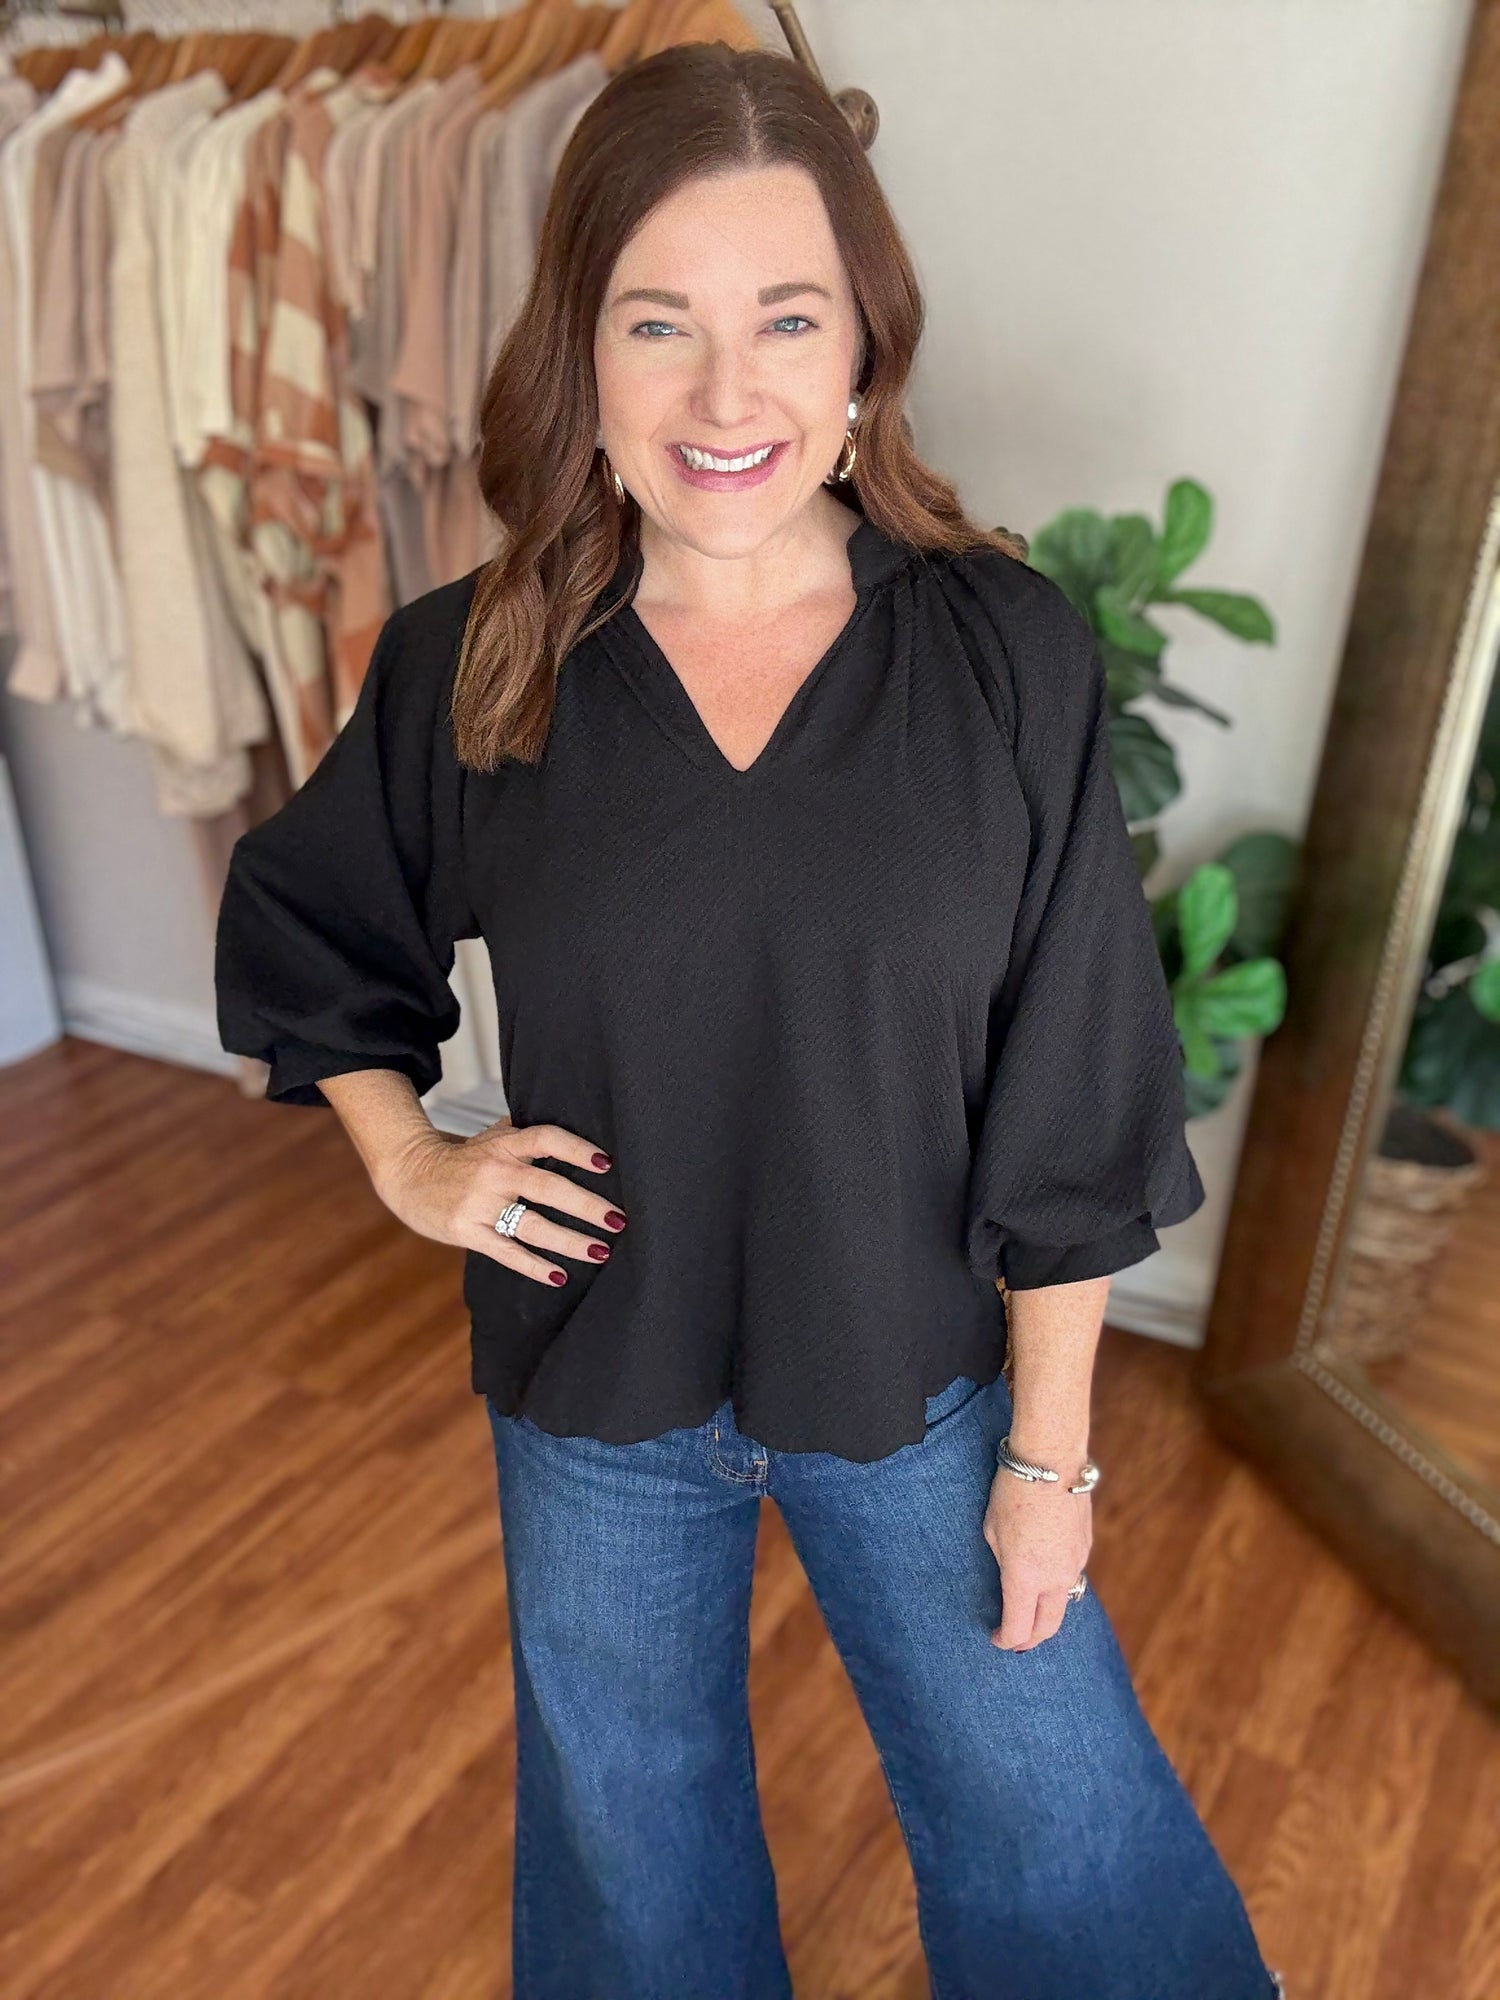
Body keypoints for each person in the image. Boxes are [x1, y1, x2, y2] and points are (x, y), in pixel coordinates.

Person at [215, 40, 1287, 2000]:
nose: (729, 395)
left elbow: (1078, 1092)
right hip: (596, 1395)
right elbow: (313, 927)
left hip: (922, 1386)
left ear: (865, 351)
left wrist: (1050, 1462)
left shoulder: (1002, 653)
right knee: (633, 1877)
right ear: (584, 353)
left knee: (1063, 1839)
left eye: (788, 319)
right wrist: (411, 1163)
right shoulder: (481, 661)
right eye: (662, 324)